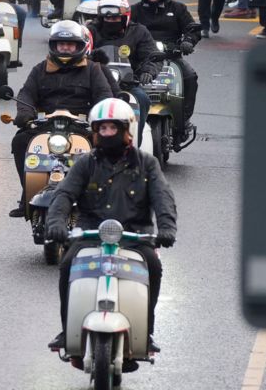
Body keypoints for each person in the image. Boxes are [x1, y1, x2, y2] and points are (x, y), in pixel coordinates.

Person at [46, 97, 177, 356]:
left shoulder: (147, 163)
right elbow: (63, 195)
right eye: (101, 129)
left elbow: (163, 198)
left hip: (135, 235)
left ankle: (146, 332)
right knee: (67, 264)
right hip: (90, 233)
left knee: (154, 266)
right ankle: (66, 329)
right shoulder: (86, 163)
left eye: (112, 128)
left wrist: (166, 229)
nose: (106, 134)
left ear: (126, 130)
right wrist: (56, 223)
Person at [9, 19, 112, 218]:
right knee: (21, 140)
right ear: (53, 45)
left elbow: (104, 96)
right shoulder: (40, 69)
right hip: (46, 124)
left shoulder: (92, 69)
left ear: (79, 46)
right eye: (61, 44)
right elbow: (26, 94)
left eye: (70, 44)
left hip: (82, 126)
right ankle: (27, 193)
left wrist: (100, 120)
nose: (65, 48)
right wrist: (24, 114)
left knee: (104, 147)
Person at [129, 0, 199, 139]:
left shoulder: (178, 8)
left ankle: (184, 119)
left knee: (190, 77)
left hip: (172, 56)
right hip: (142, 57)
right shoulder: (135, 11)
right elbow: (125, 31)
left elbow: (192, 29)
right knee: (122, 78)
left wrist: (188, 41)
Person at [86, 0, 160, 143]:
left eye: (114, 18)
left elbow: (152, 56)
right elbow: (81, 53)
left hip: (128, 84)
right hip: (95, 84)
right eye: (107, 18)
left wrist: (148, 71)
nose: (110, 21)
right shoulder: (91, 31)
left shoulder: (139, 32)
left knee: (142, 99)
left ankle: (134, 142)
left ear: (125, 17)